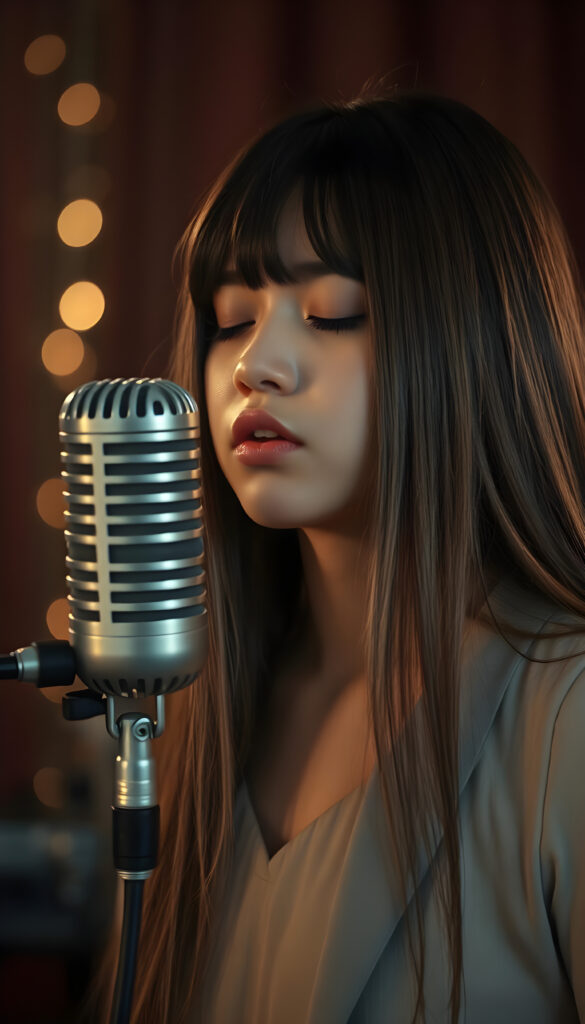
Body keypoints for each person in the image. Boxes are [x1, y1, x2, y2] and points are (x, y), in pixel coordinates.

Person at [86, 83, 585, 1024]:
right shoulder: (196, 712)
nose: (254, 365)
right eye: (231, 317)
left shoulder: (567, 713)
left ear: (470, 341)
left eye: (331, 312)